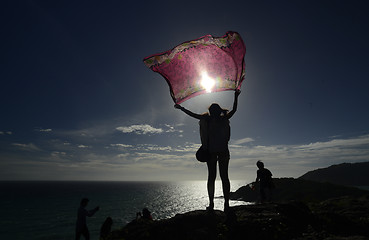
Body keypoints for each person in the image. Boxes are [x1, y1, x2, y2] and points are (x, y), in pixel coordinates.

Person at [175, 90, 240, 212]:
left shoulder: (207, 119)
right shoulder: (223, 118)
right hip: (223, 151)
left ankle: (211, 204)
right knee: (224, 177)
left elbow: (193, 114)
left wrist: (181, 108)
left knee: (211, 177)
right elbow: (235, 109)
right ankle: (226, 204)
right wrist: (236, 96)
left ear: (211, 111)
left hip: (211, 151)